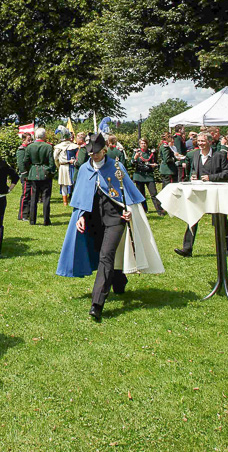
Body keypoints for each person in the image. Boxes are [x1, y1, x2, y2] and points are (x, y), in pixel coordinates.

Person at [56, 133, 158, 321]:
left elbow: (128, 195)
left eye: (97, 152)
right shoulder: (85, 169)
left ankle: (97, 304)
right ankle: (119, 279)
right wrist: (80, 216)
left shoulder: (117, 168)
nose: (94, 156)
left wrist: (128, 212)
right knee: (100, 252)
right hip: (93, 219)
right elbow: (81, 195)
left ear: (104, 150)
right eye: (91, 153)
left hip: (114, 218)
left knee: (106, 256)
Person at [174, 132, 228, 258]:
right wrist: (193, 177)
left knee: (221, 221)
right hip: (199, 193)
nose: (200, 143)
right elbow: (193, 170)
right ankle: (187, 249)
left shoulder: (219, 156)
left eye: (203, 141)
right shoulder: (195, 155)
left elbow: (227, 173)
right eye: (199, 141)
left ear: (210, 142)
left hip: (215, 193)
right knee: (192, 219)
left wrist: (211, 177)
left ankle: (227, 248)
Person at [24, 128, 55, 225]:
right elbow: (51, 162)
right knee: (46, 198)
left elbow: (25, 161)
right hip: (45, 173)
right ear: (44, 136)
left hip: (34, 173)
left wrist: (30, 170)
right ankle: (46, 220)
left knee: (33, 198)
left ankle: (32, 220)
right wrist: (50, 171)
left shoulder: (30, 147)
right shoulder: (48, 147)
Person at [131, 139, 165, 215]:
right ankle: (144, 210)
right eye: (142, 143)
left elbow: (155, 161)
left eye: (145, 143)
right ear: (140, 144)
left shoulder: (151, 152)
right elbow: (131, 164)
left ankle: (159, 210)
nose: (144, 145)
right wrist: (135, 158)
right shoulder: (136, 152)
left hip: (149, 175)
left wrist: (154, 165)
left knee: (154, 193)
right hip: (139, 175)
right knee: (141, 194)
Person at [53, 132, 79, 206]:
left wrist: (58, 166)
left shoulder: (59, 147)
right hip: (70, 166)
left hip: (64, 166)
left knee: (65, 184)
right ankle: (69, 201)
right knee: (71, 183)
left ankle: (66, 202)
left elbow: (55, 158)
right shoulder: (74, 146)